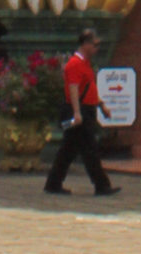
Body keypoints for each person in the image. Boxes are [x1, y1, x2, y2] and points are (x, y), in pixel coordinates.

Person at [43, 30, 119, 199]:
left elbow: (89, 86)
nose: (97, 48)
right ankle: (101, 185)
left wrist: (101, 105)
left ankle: (53, 183)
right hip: (80, 111)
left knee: (68, 149)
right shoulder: (75, 64)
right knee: (89, 149)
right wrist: (77, 113)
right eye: (95, 44)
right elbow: (73, 89)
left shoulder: (84, 63)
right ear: (85, 44)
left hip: (86, 109)